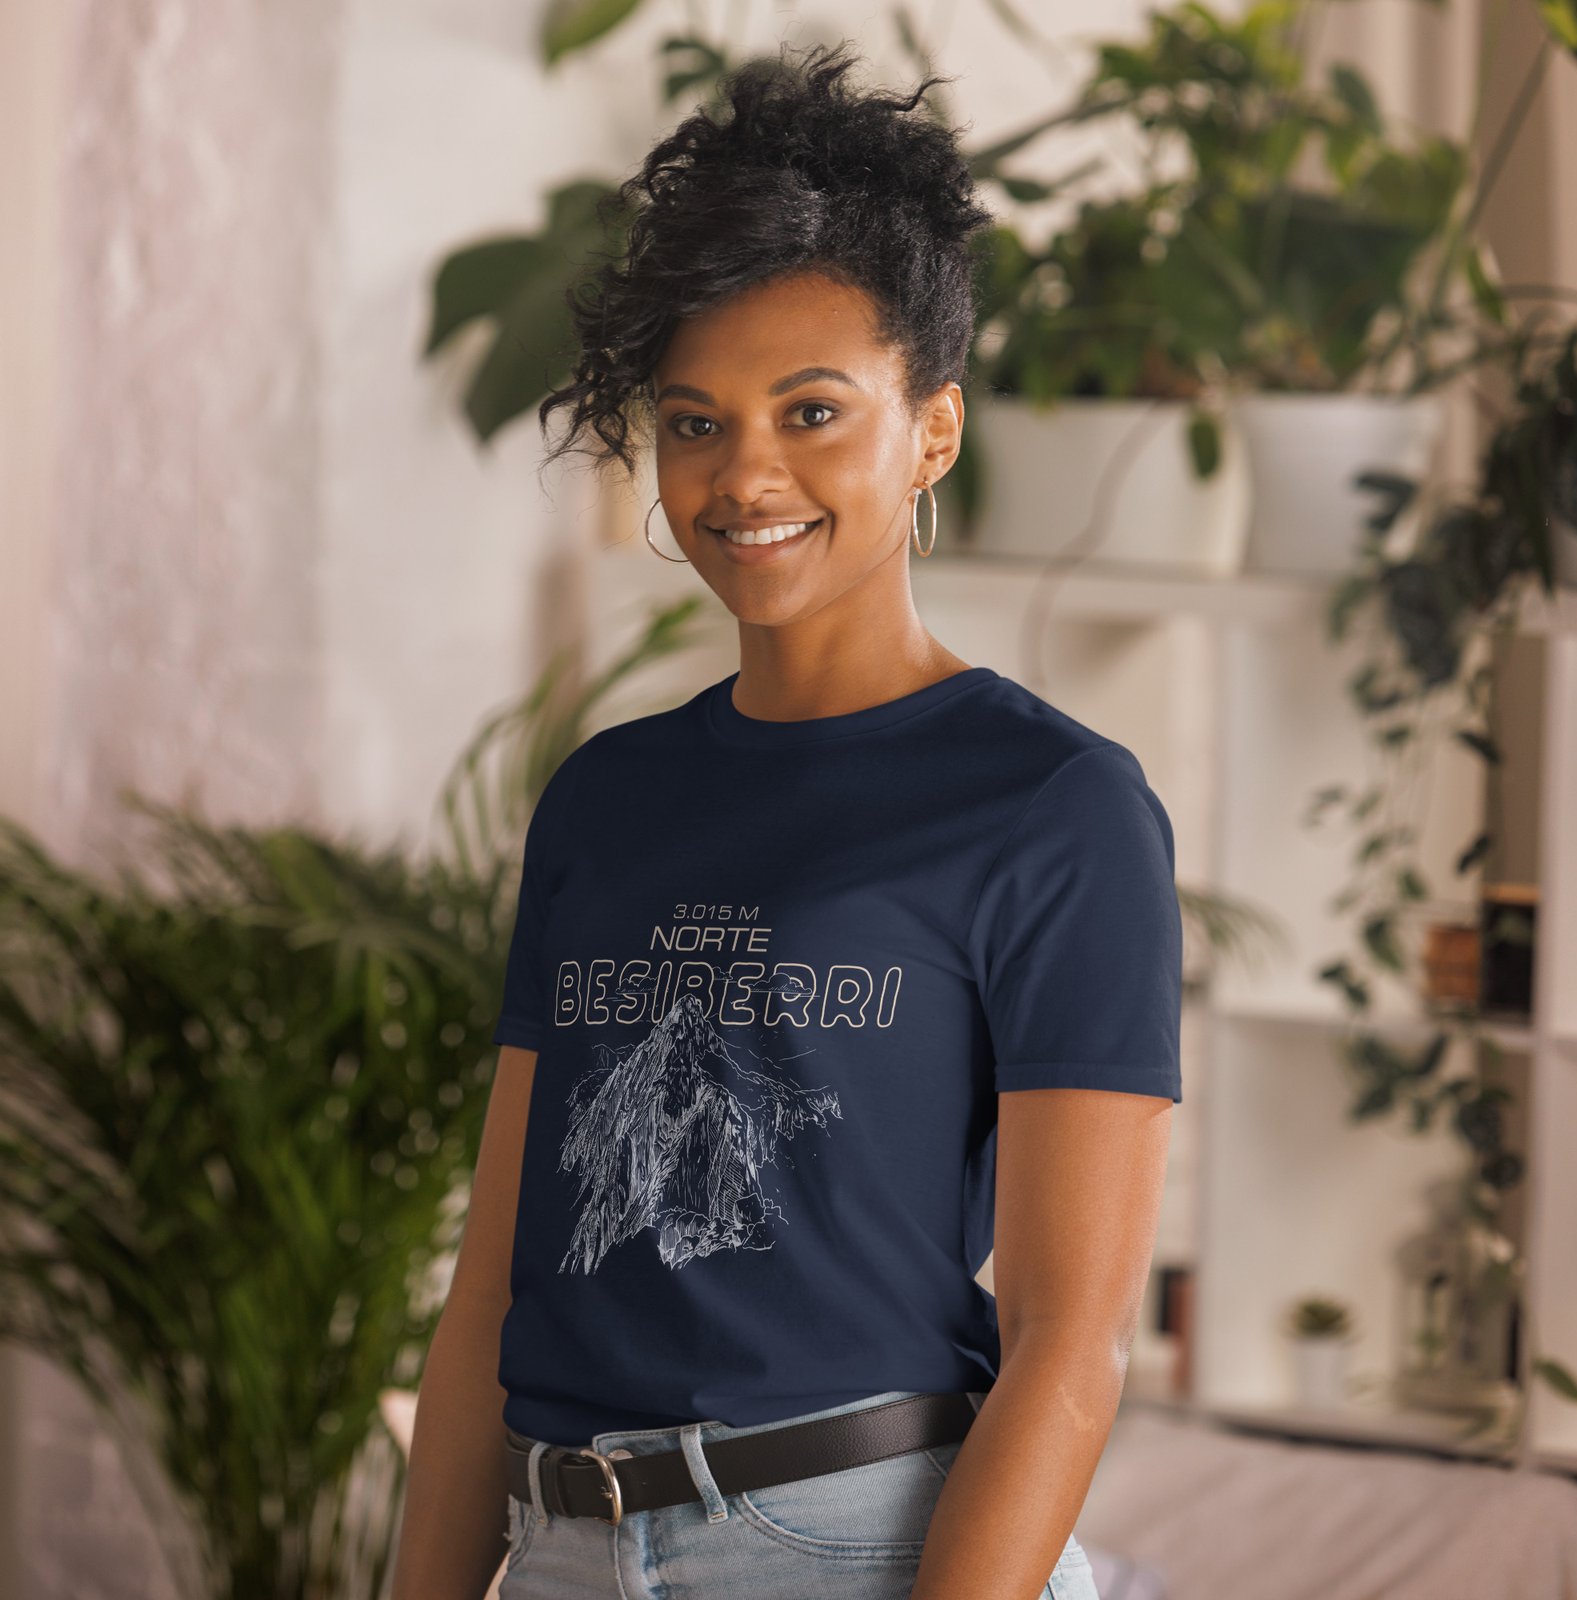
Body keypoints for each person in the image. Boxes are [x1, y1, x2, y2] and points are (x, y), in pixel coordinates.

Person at [390, 40, 1180, 1600]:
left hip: (858, 1546)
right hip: (562, 1548)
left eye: (812, 411)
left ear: (932, 429)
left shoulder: (1053, 806)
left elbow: (1070, 1341)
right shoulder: (608, 797)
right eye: (694, 423)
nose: (746, 473)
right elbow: (496, 1284)